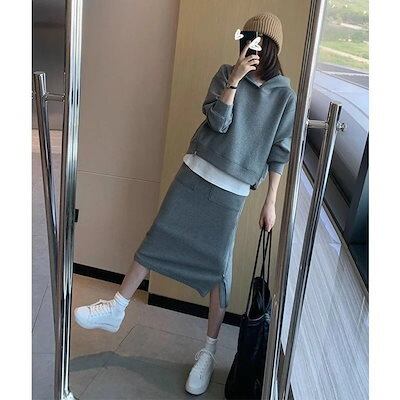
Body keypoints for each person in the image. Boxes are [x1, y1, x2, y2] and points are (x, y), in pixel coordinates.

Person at [74, 12, 296, 396]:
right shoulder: (226, 73)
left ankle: (208, 351)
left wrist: (271, 202)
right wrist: (234, 80)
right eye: (246, 40)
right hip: (195, 172)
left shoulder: (285, 97)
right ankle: (117, 307)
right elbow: (219, 123)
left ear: (271, 48)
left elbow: (280, 152)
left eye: (258, 43)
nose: (250, 48)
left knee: (217, 269)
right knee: (158, 235)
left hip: (232, 191)